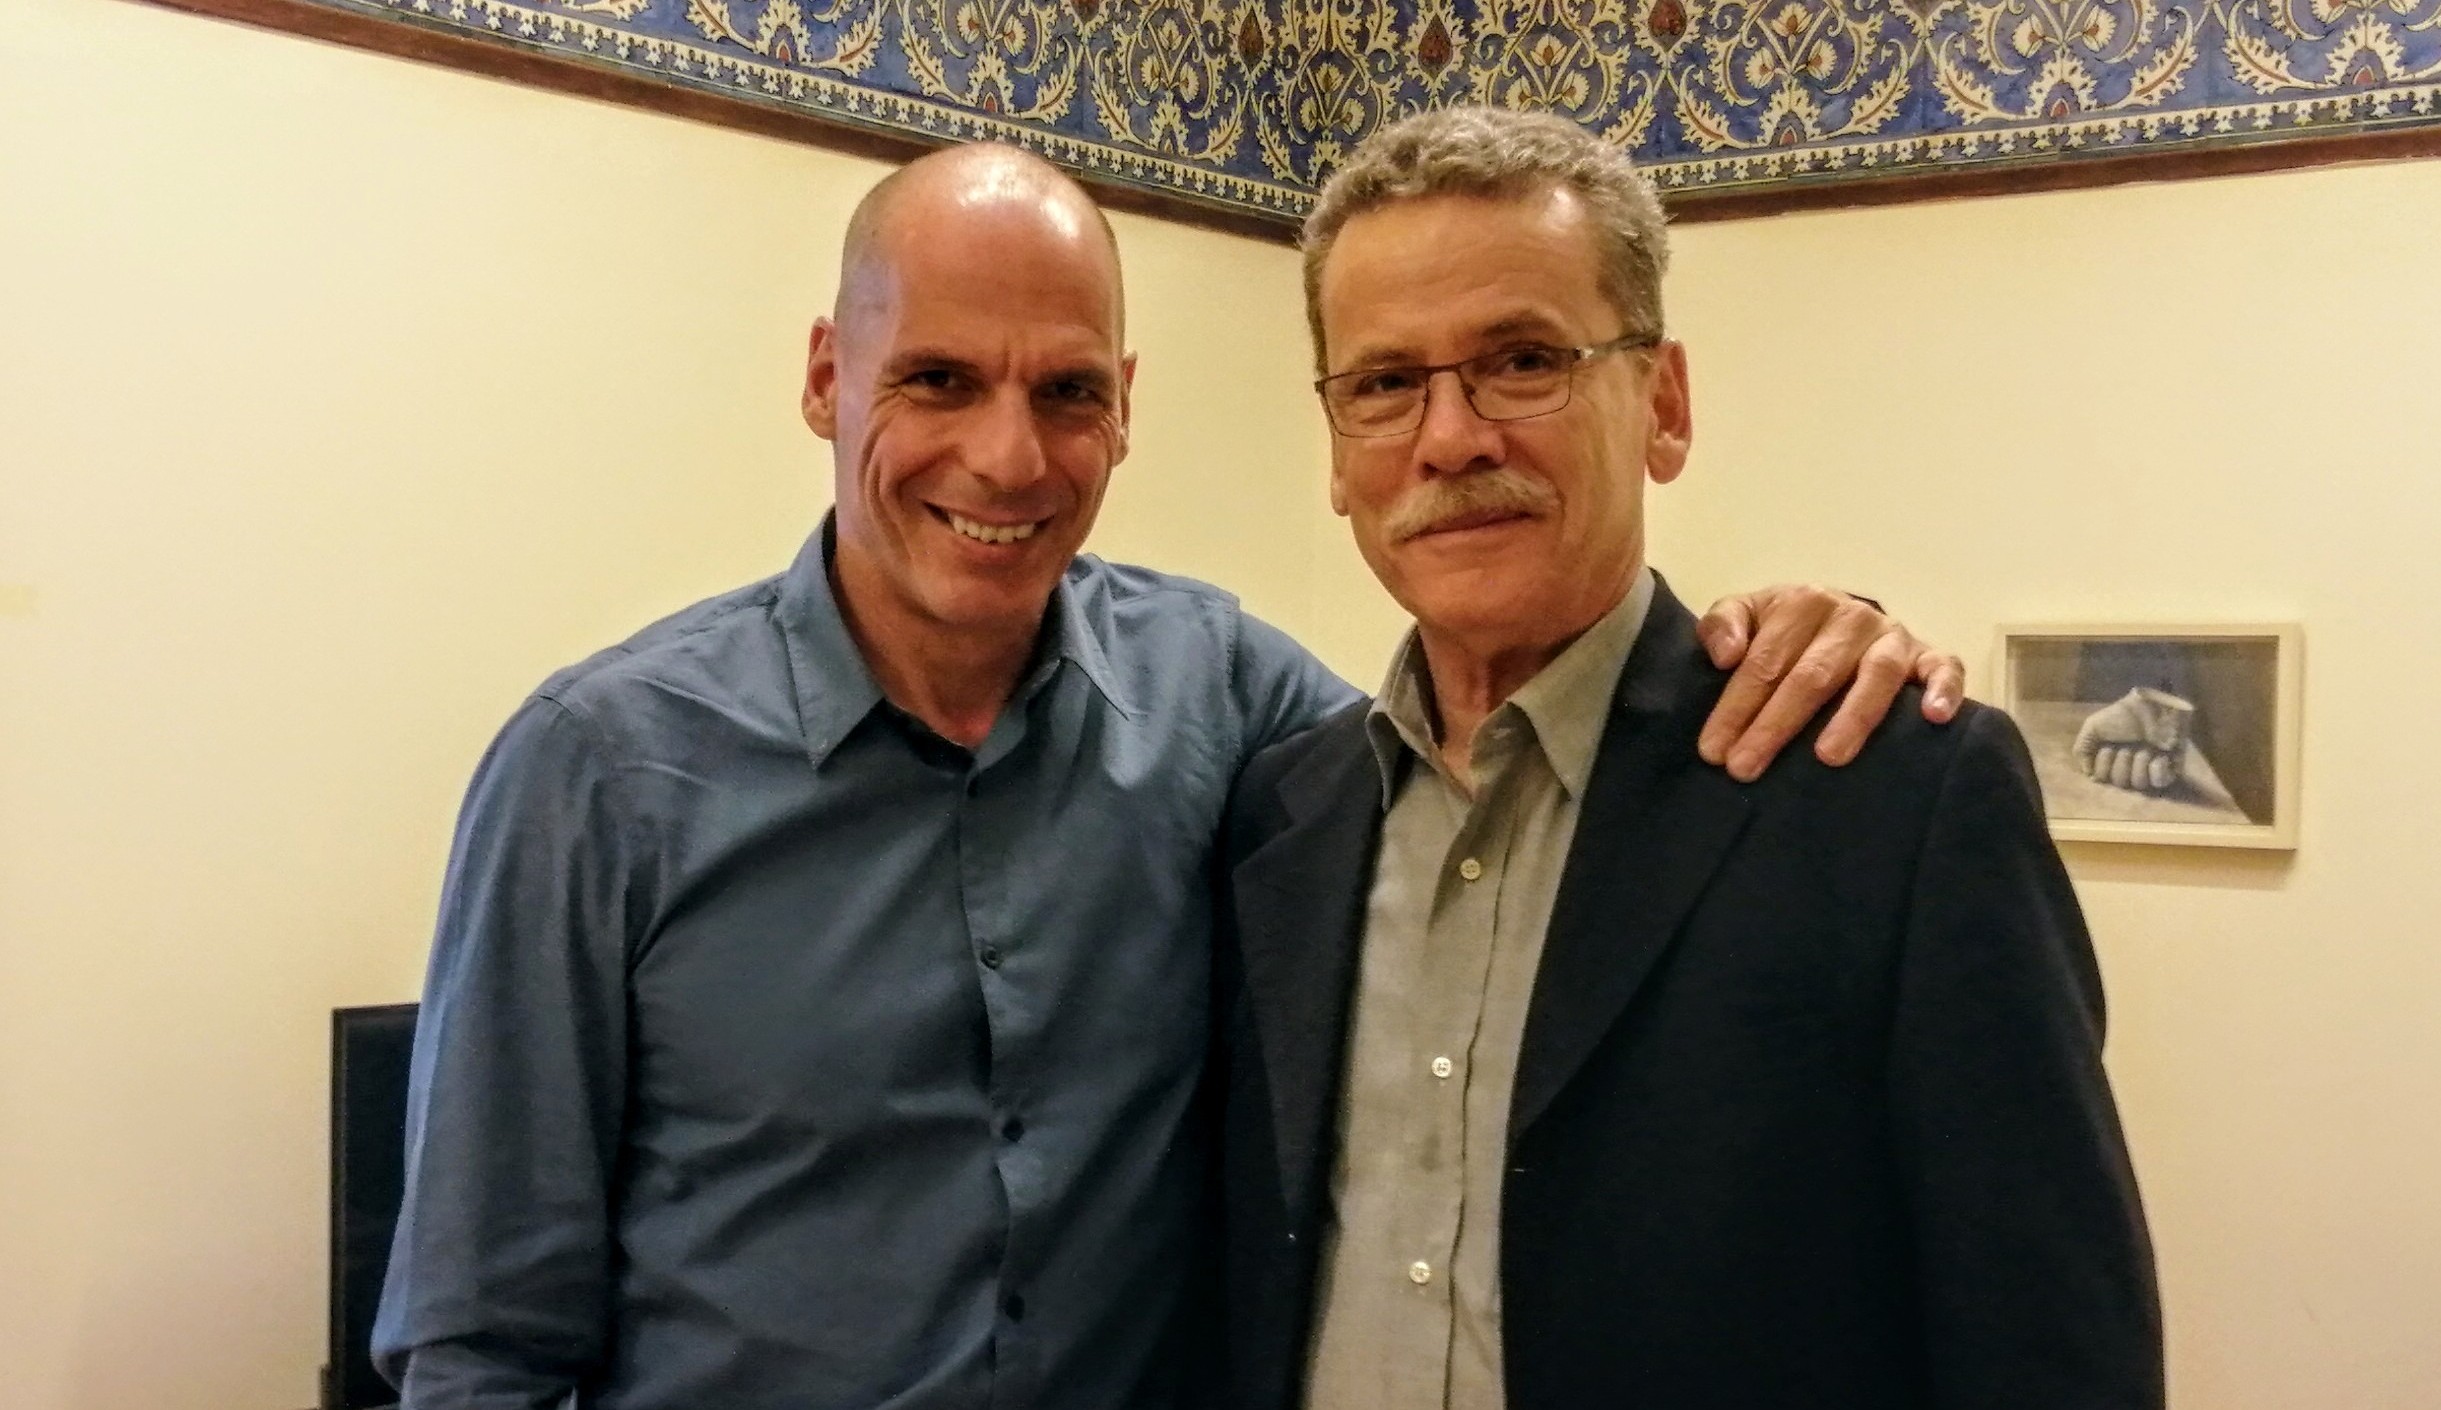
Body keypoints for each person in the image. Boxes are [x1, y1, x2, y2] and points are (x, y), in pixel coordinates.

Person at [371, 141, 1965, 1410]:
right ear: (822, 378)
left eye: (1067, 391)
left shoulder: (1227, 705)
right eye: (937, 379)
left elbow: (1503, 753)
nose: (1007, 456)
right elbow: (480, 1337)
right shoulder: (599, 772)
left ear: (1124, 409)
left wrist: (1801, 635)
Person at [1209, 108, 2162, 1410]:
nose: (1450, 437)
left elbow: (2052, 1345)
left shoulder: (1891, 801)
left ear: (1662, 404)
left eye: (1523, 361)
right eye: (1383, 384)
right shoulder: (1279, 817)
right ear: (1334, 447)